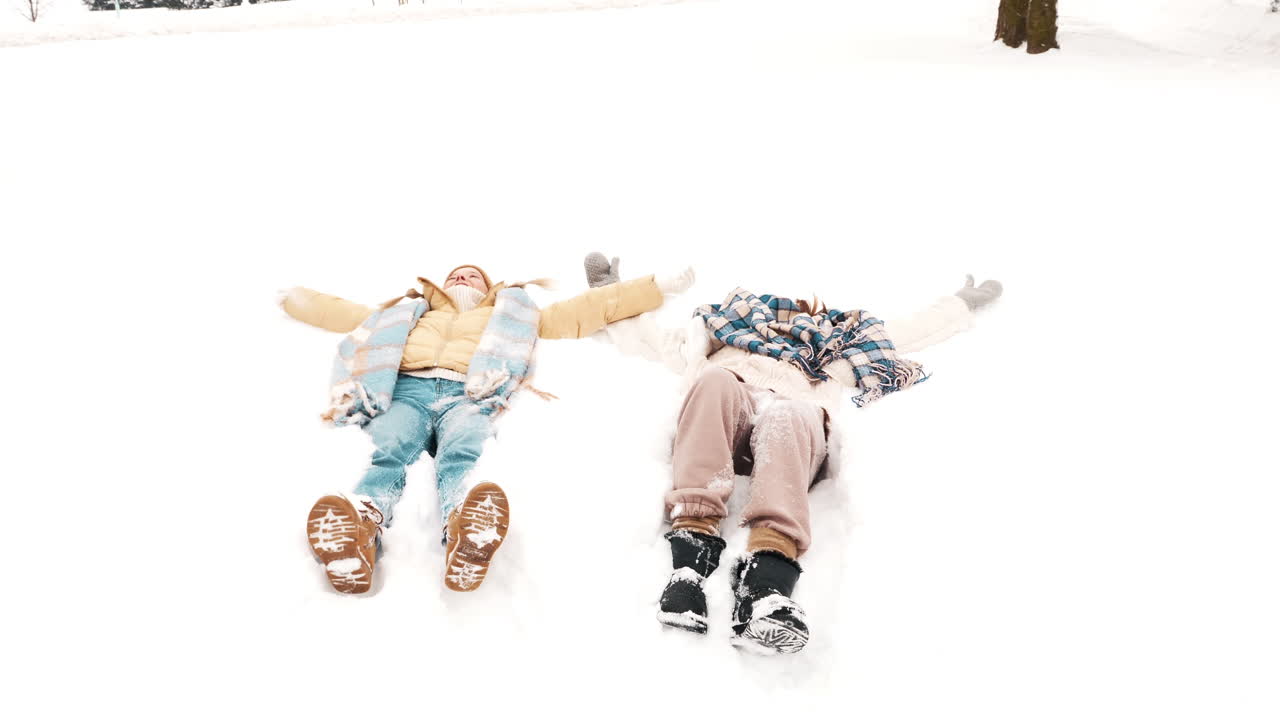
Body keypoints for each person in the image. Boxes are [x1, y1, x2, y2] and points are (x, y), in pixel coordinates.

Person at [584, 253, 1002, 654]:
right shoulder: (721, 336)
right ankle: (690, 564)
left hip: (791, 440)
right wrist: (611, 292)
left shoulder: (835, 350)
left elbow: (912, 330)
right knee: (713, 381)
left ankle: (766, 583)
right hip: (726, 417)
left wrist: (961, 304)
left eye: (802, 322)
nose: (789, 329)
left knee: (792, 412)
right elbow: (650, 339)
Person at [282, 262, 694, 594]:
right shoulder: (407, 312)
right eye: (454, 276)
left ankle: (465, 529)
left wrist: (656, 287)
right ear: (440, 287)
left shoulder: (513, 314)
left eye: (472, 275)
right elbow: (342, 312)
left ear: (488, 287)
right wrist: (293, 298)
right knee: (390, 449)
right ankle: (360, 529)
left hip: (469, 392)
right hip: (409, 390)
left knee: (462, 451)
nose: (462, 278)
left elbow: (585, 309)